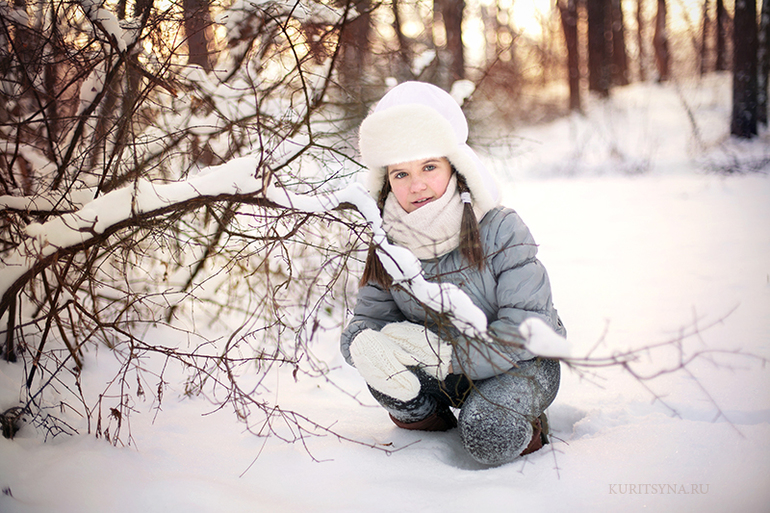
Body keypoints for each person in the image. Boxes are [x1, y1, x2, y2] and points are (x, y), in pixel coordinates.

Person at [340, 81, 566, 466]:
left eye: (429, 166)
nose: (418, 185)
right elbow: (370, 320)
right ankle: (433, 440)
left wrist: (449, 357)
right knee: (389, 384)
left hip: (523, 363)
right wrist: (360, 344)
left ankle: (521, 423)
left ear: (455, 168)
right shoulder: (387, 243)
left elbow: (526, 327)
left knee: (488, 433)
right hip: (442, 373)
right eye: (401, 174)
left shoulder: (500, 227)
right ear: (385, 183)